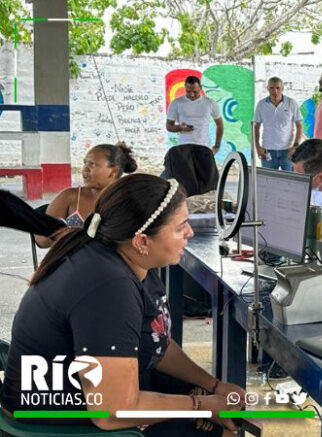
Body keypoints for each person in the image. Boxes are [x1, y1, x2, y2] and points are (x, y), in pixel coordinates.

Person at [0, 175, 245, 436]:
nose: (190, 233)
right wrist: (202, 406)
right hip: (55, 422)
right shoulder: (109, 286)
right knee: (223, 428)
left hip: (86, 393)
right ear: (142, 241)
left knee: (222, 411)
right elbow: (112, 412)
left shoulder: (126, 257)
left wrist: (214, 385)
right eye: (180, 227)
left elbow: (155, 340)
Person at [35, 142, 137, 248]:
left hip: (113, 263)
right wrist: (61, 233)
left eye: (92, 164)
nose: (84, 170)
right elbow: (41, 241)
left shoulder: (130, 202)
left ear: (113, 171)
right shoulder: (70, 197)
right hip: (71, 262)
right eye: (85, 163)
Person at [253, 77, 303, 171]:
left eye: (278, 88)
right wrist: (258, 147)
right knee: (268, 182)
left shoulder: (291, 103)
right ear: (267, 88)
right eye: (272, 88)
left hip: (287, 151)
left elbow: (299, 126)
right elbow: (256, 127)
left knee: (289, 182)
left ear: (282, 88)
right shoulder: (261, 105)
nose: (275, 91)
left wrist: (295, 146)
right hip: (268, 151)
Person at [166, 76, 224, 155]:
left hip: (204, 147)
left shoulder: (210, 103)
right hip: (183, 147)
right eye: (188, 91)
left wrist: (217, 145)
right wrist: (180, 127)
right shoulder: (176, 103)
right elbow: (169, 126)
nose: (192, 95)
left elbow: (220, 125)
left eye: (195, 92)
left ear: (200, 88)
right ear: (185, 88)